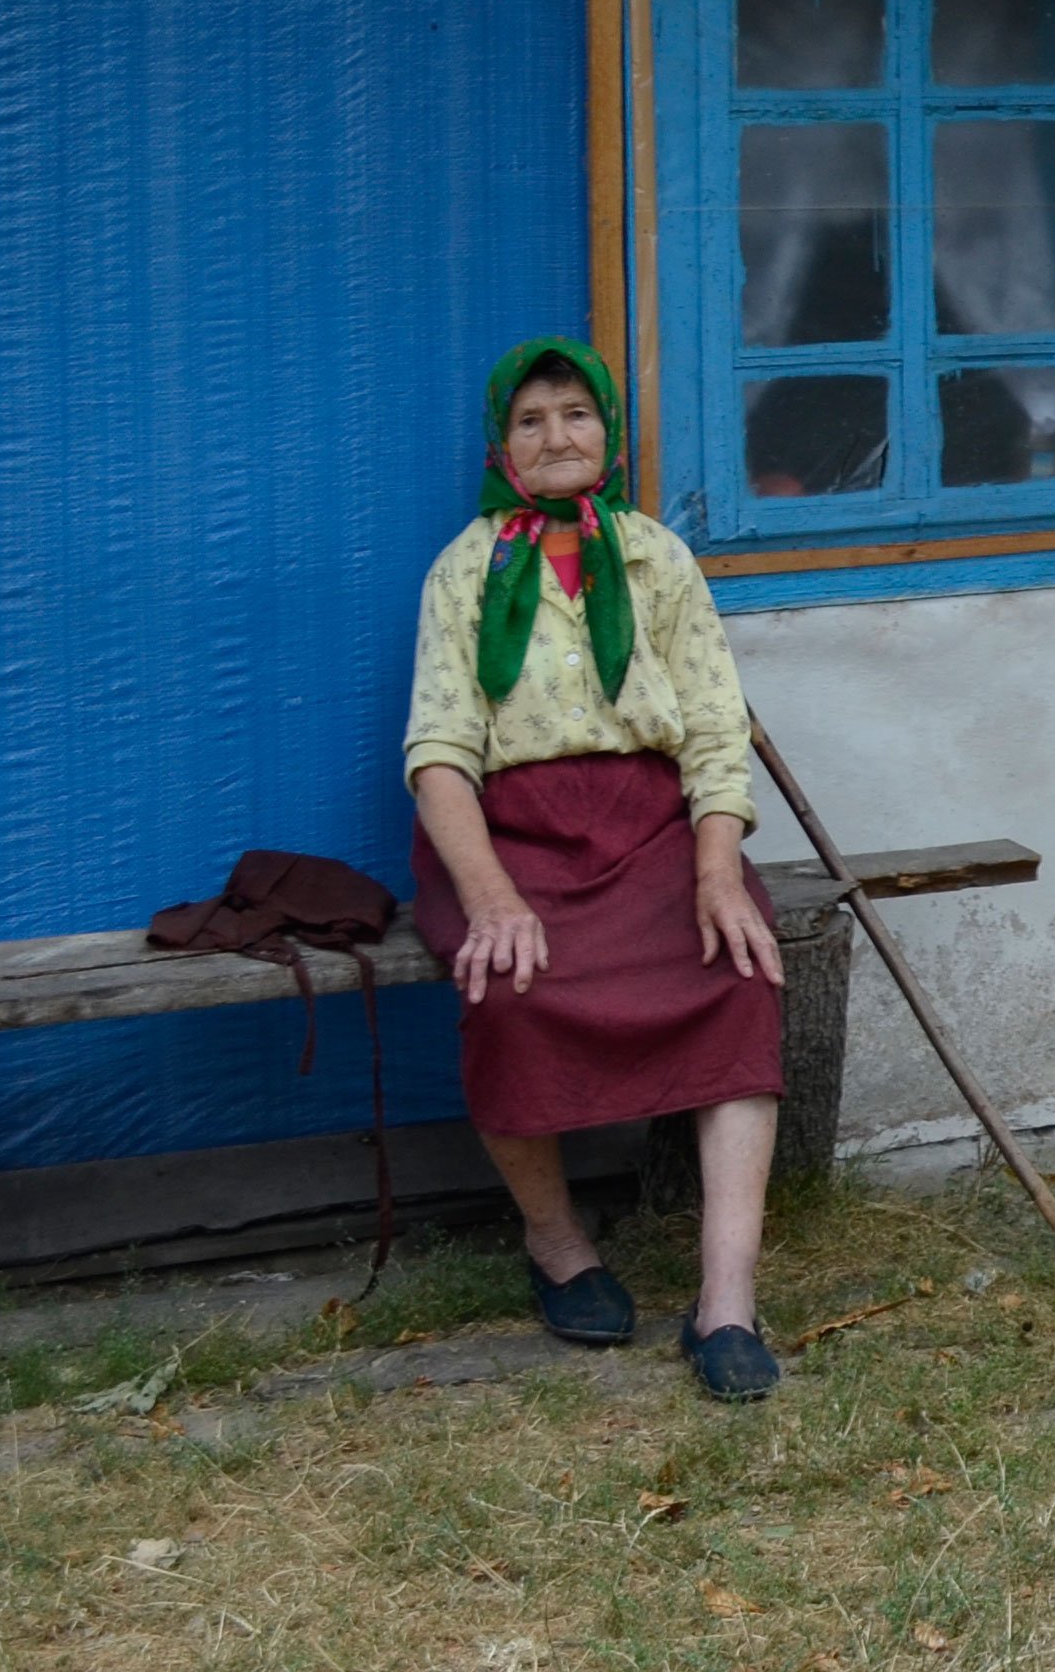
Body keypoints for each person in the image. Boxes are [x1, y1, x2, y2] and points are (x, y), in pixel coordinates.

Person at [403, 338, 787, 1403]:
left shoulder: (655, 556)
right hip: (510, 834)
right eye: (530, 421)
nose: (556, 436)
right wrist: (491, 896)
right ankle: (559, 1243)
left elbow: (715, 729)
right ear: (502, 447)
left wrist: (717, 872)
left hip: (650, 826)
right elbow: (438, 754)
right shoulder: (465, 569)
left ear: (607, 433)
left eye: (575, 414)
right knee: (506, 989)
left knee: (740, 975)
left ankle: (726, 1302)